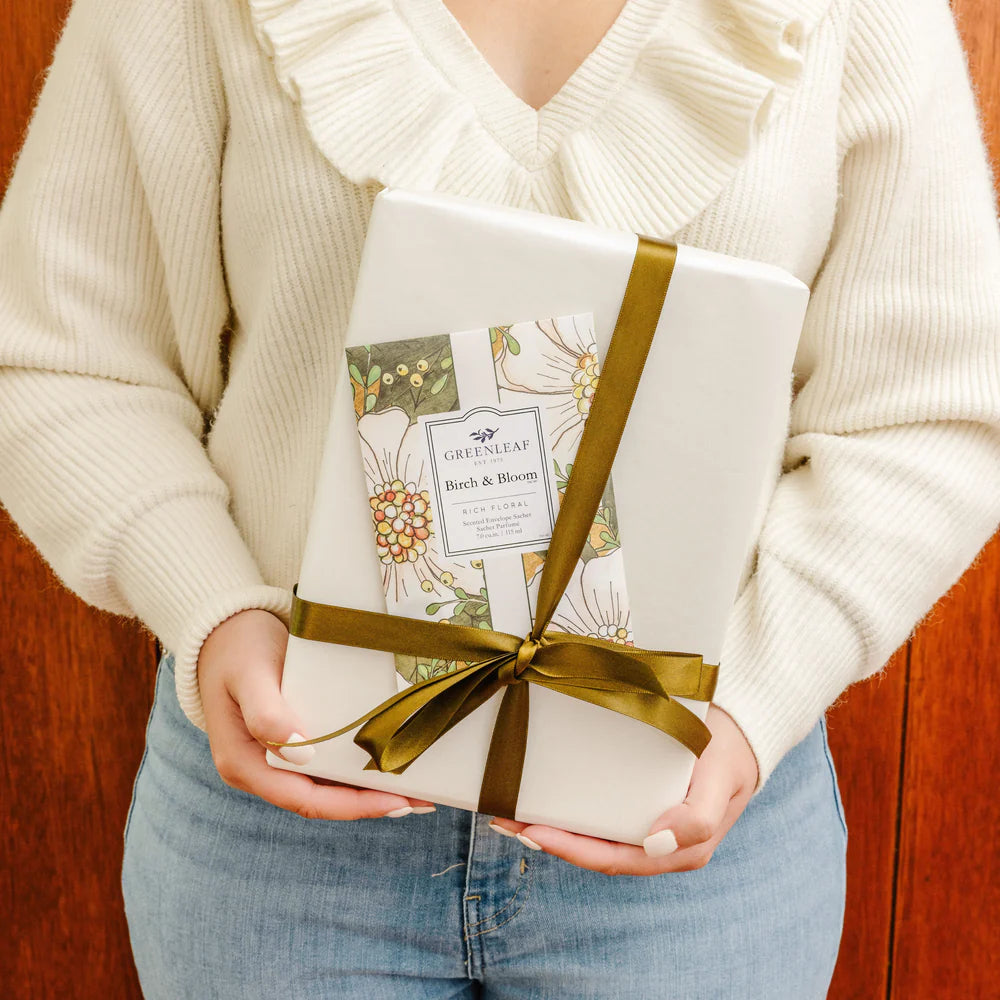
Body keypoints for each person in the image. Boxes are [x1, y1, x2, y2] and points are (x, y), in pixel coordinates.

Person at [1, 0, 998, 995]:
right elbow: (68, 356)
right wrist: (209, 608)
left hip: (689, 832)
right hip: (281, 820)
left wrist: (759, 694)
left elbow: (929, 412)